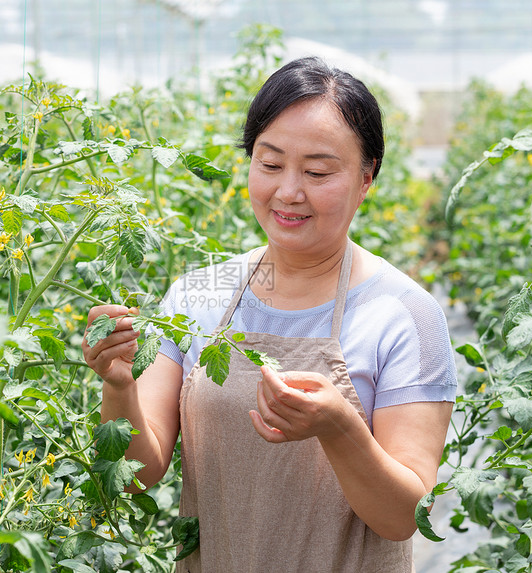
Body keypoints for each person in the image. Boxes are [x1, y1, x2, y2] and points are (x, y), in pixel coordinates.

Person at [82, 56, 457, 572]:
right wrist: (118, 384)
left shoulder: (404, 314)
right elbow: (137, 473)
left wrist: (339, 427)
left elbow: (403, 517)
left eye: (318, 171)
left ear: (367, 178)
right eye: (271, 163)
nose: (288, 192)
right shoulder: (198, 296)